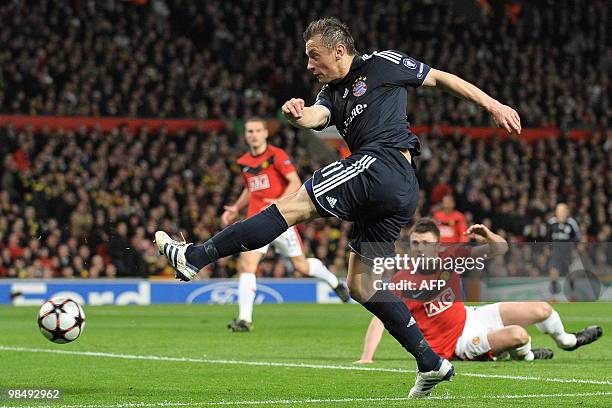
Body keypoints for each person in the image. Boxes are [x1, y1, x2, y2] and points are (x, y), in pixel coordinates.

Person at [155, 17, 522, 398]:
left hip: (381, 165)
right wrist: (298, 116)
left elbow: (442, 78)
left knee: (291, 207)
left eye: (314, 57)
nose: (309, 66)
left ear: (339, 51)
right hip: (396, 191)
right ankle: (429, 362)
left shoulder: (383, 63)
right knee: (362, 285)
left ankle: (196, 256)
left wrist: (492, 105)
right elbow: (319, 116)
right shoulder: (331, 92)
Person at [354, 219, 602, 363]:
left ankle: (569, 341)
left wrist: (488, 235)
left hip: (471, 316)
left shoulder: (450, 258)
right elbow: (380, 317)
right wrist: (367, 357)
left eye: (426, 244)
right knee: (519, 335)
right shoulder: (402, 280)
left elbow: (500, 249)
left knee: (543, 309)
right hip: (455, 344)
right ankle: (526, 356)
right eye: (415, 243)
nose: (420, 248)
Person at [220, 118, 350, 332]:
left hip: (280, 218)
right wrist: (235, 208)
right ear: (246, 135)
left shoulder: (276, 155)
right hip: (255, 219)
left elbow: (295, 182)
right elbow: (249, 188)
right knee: (247, 265)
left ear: (265, 133)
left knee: (301, 267)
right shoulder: (243, 161)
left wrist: (278, 201)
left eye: (257, 130)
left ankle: (333, 282)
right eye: (249, 131)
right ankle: (244, 320)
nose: (253, 134)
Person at [547, 203, 582, 299]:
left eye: (563, 211)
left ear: (567, 212)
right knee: (553, 273)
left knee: (570, 274)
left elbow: (577, 239)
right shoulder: (552, 223)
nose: (560, 213)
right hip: (556, 253)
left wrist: (576, 250)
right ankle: (553, 296)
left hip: (568, 254)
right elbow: (547, 239)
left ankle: (572, 295)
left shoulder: (571, 223)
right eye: (558, 211)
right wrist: (547, 250)